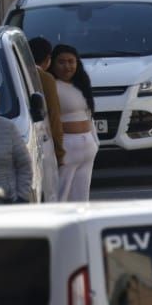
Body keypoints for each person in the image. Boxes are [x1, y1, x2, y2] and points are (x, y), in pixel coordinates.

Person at [52, 43, 98, 201]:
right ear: (52, 63)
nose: (67, 66)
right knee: (61, 194)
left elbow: (89, 114)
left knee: (81, 197)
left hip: (88, 147)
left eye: (71, 61)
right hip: (66, 146)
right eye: (62, 62)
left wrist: (95, 141)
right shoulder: (51, 85)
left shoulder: (81, 84)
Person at [28, 36, 65, 201]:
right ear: (48, 59)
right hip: (43, 139)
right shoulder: (46, 78)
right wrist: (59, 150)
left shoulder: (20, 72)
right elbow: (54, 115)